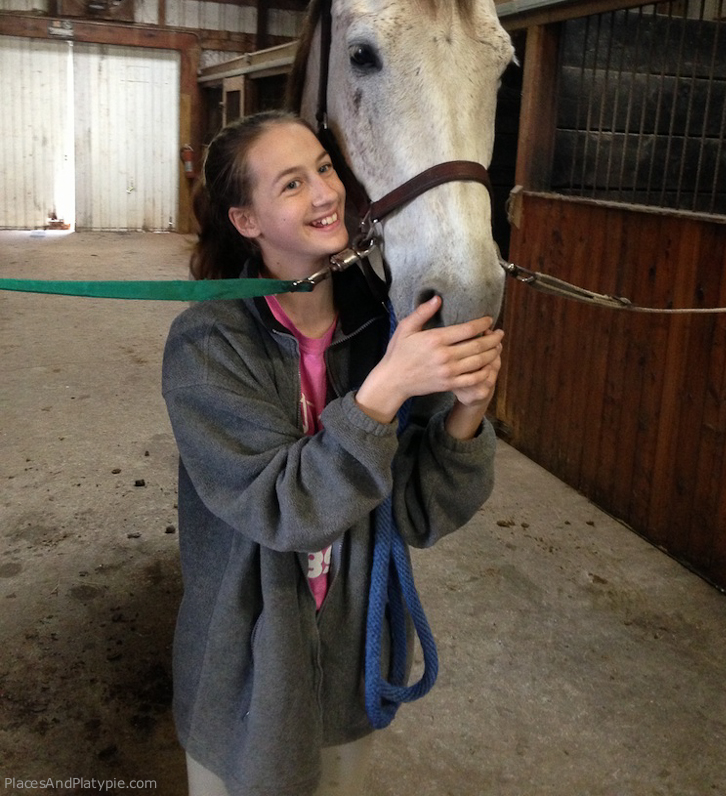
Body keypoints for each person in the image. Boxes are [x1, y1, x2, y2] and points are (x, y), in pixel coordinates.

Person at [161, 111, 503, 796]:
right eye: (291, 184)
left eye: (323, 167)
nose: (325, 193)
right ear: (247, 221)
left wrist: (468, 405)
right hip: (247, 668)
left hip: (353, 657)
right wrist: (382, 394)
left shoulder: (382, 329)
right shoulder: (206, 344)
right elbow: (282, 510)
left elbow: (420, 514)